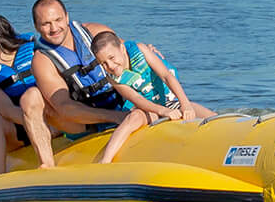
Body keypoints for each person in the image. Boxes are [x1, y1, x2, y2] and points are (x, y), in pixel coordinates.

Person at [90, 34, 213, 162]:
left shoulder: (140, 50)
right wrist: (162, 111)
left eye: (111, 58)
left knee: (208, 114)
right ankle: (105, 160)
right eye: (103, 63)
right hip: (149, 110)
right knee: (134, 118)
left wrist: (185, 104)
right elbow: (136, 98)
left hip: (171, 102)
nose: (110, 66)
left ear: (122, 48)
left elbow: (166, 76)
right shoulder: (112, 78)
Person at [25, 0, 132, 141]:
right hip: (89, 123)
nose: (54, 28)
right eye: (46, 24)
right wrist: (115, 117)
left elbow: (130, 55)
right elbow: (64, 106)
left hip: (128, 105)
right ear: (36, 27)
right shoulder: (42, 61)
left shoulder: (96, 32)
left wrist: (145, 50)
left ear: (67, 17)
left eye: (58, 20)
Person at [0, 13, 55, 173]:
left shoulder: (36, 53)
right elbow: (7, 111)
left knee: (34, 95)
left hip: (55, 118)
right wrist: (36, 125)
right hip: (22, 127)